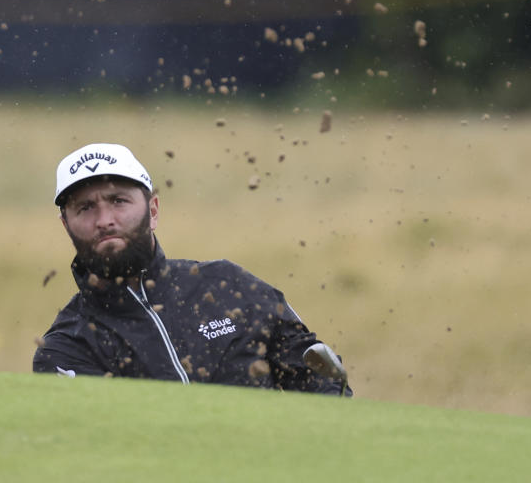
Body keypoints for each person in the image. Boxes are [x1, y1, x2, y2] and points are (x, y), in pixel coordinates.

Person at [32, 142, 351, 395]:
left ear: (153, 210)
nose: (104, 220)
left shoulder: (230, 286)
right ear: (66, 224)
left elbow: (323, 384)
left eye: (119, 201)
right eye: (85, 208)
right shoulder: (66, 347)